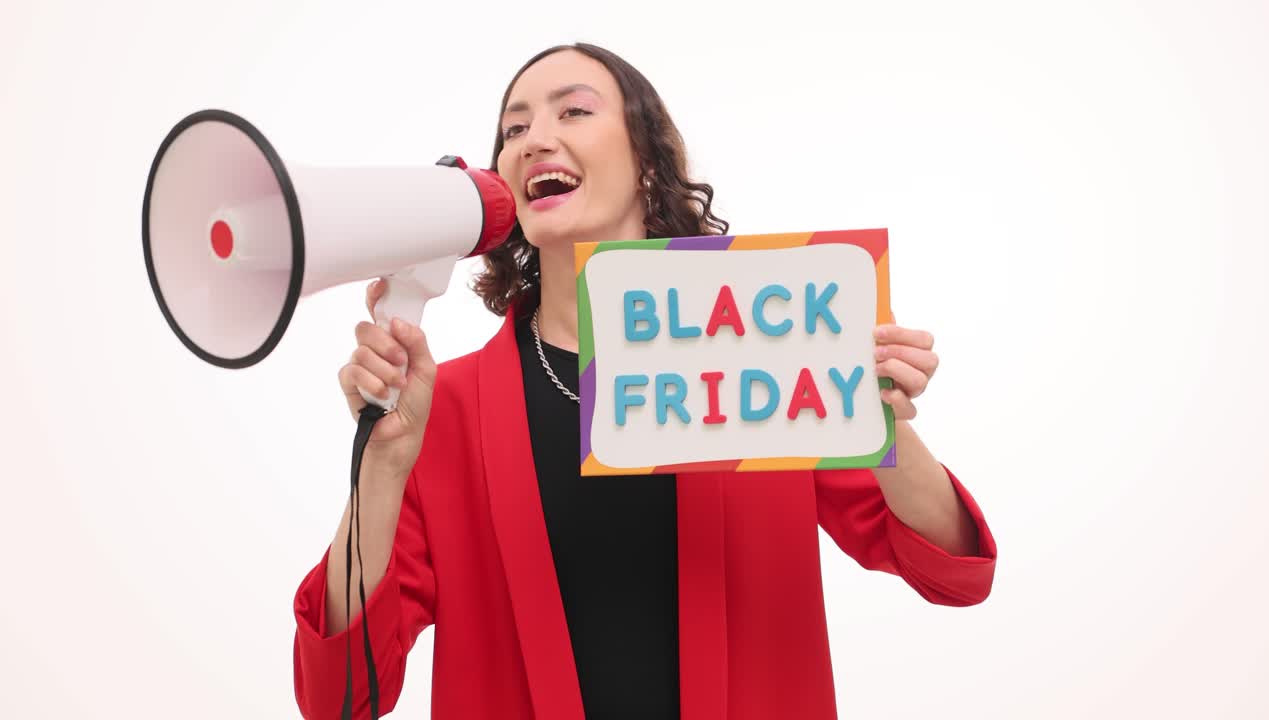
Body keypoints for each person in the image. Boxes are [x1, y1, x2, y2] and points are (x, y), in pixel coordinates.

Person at [291, 42, 998, 720]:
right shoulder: (442, 409)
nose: (534, 139)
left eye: (573, 111)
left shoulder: (772, 353)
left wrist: (886, 421)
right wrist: (379, 470)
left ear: (647, 162)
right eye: (513, 128)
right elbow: (340, 697)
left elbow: (953, 573)